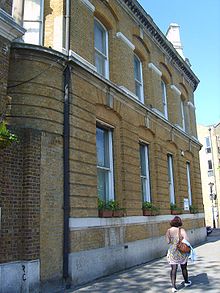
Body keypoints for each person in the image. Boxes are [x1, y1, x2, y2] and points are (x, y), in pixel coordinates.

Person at [166, 216, 192, 292]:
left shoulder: (168, 231)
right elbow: (187, 239)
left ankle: (174, 287)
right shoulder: (181, 230)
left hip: (173, 251)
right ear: (179, 222)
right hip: (181, 251)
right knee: (184, 267)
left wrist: (173, 240)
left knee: (173, 269)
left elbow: (167, 241)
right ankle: (186, 282)